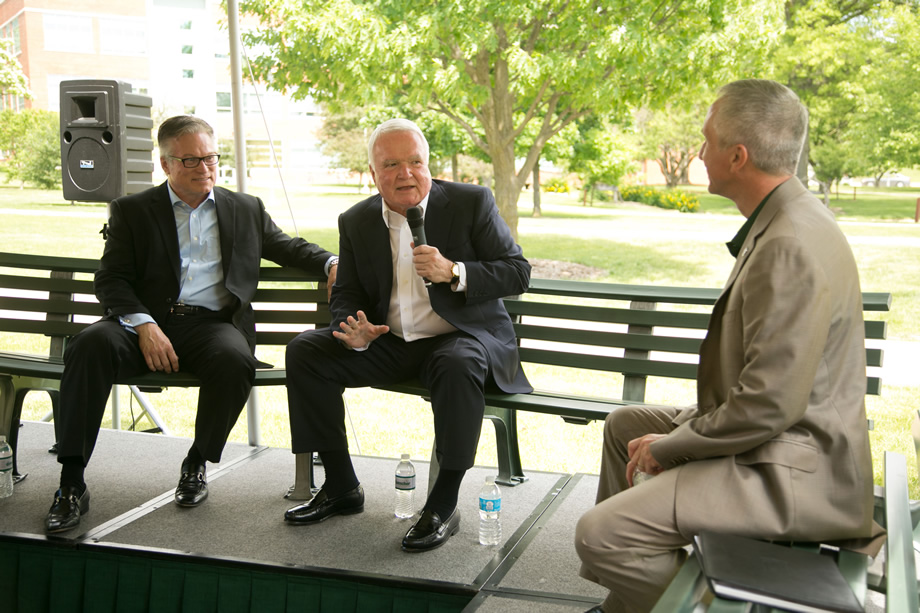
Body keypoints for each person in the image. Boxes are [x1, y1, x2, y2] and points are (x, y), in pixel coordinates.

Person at [574, 79, 884, 612]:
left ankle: (693, 603)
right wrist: (677, 432)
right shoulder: (786, 218)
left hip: (794, 471)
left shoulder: (788, 243)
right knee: (626, 426)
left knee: (600, 534)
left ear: (737, 156)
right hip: (779, 436)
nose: (699, 151)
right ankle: (627, 604)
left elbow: (768, 405)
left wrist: (674, 445)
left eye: (706, 140)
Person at [44, 115, 338, 533]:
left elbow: (286, 247)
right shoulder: (133, 211)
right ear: (165, 164)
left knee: (235, 360)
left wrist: (330, 261)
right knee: (89, 345)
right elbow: (110, 279)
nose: (205, 169)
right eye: (191, 161)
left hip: (210, 325)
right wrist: (144, 324)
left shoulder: (244, 208)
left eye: (211, 158)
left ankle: (197, 462)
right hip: (141, 324)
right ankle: (71, 482)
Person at [284, 118, 532, 552]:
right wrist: (352, 328)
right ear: (373, 172)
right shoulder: (357, 219)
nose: (406, 174)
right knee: (306, 351)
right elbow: (347, 291)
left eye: (415, 162)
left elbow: (518, 272)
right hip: (392, 341)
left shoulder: (471, 202)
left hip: (461, 338)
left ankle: (442, 504)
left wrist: (455, 272)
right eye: (392, 164)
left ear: (428, 164)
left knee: (457, 364)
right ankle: (342, 486)